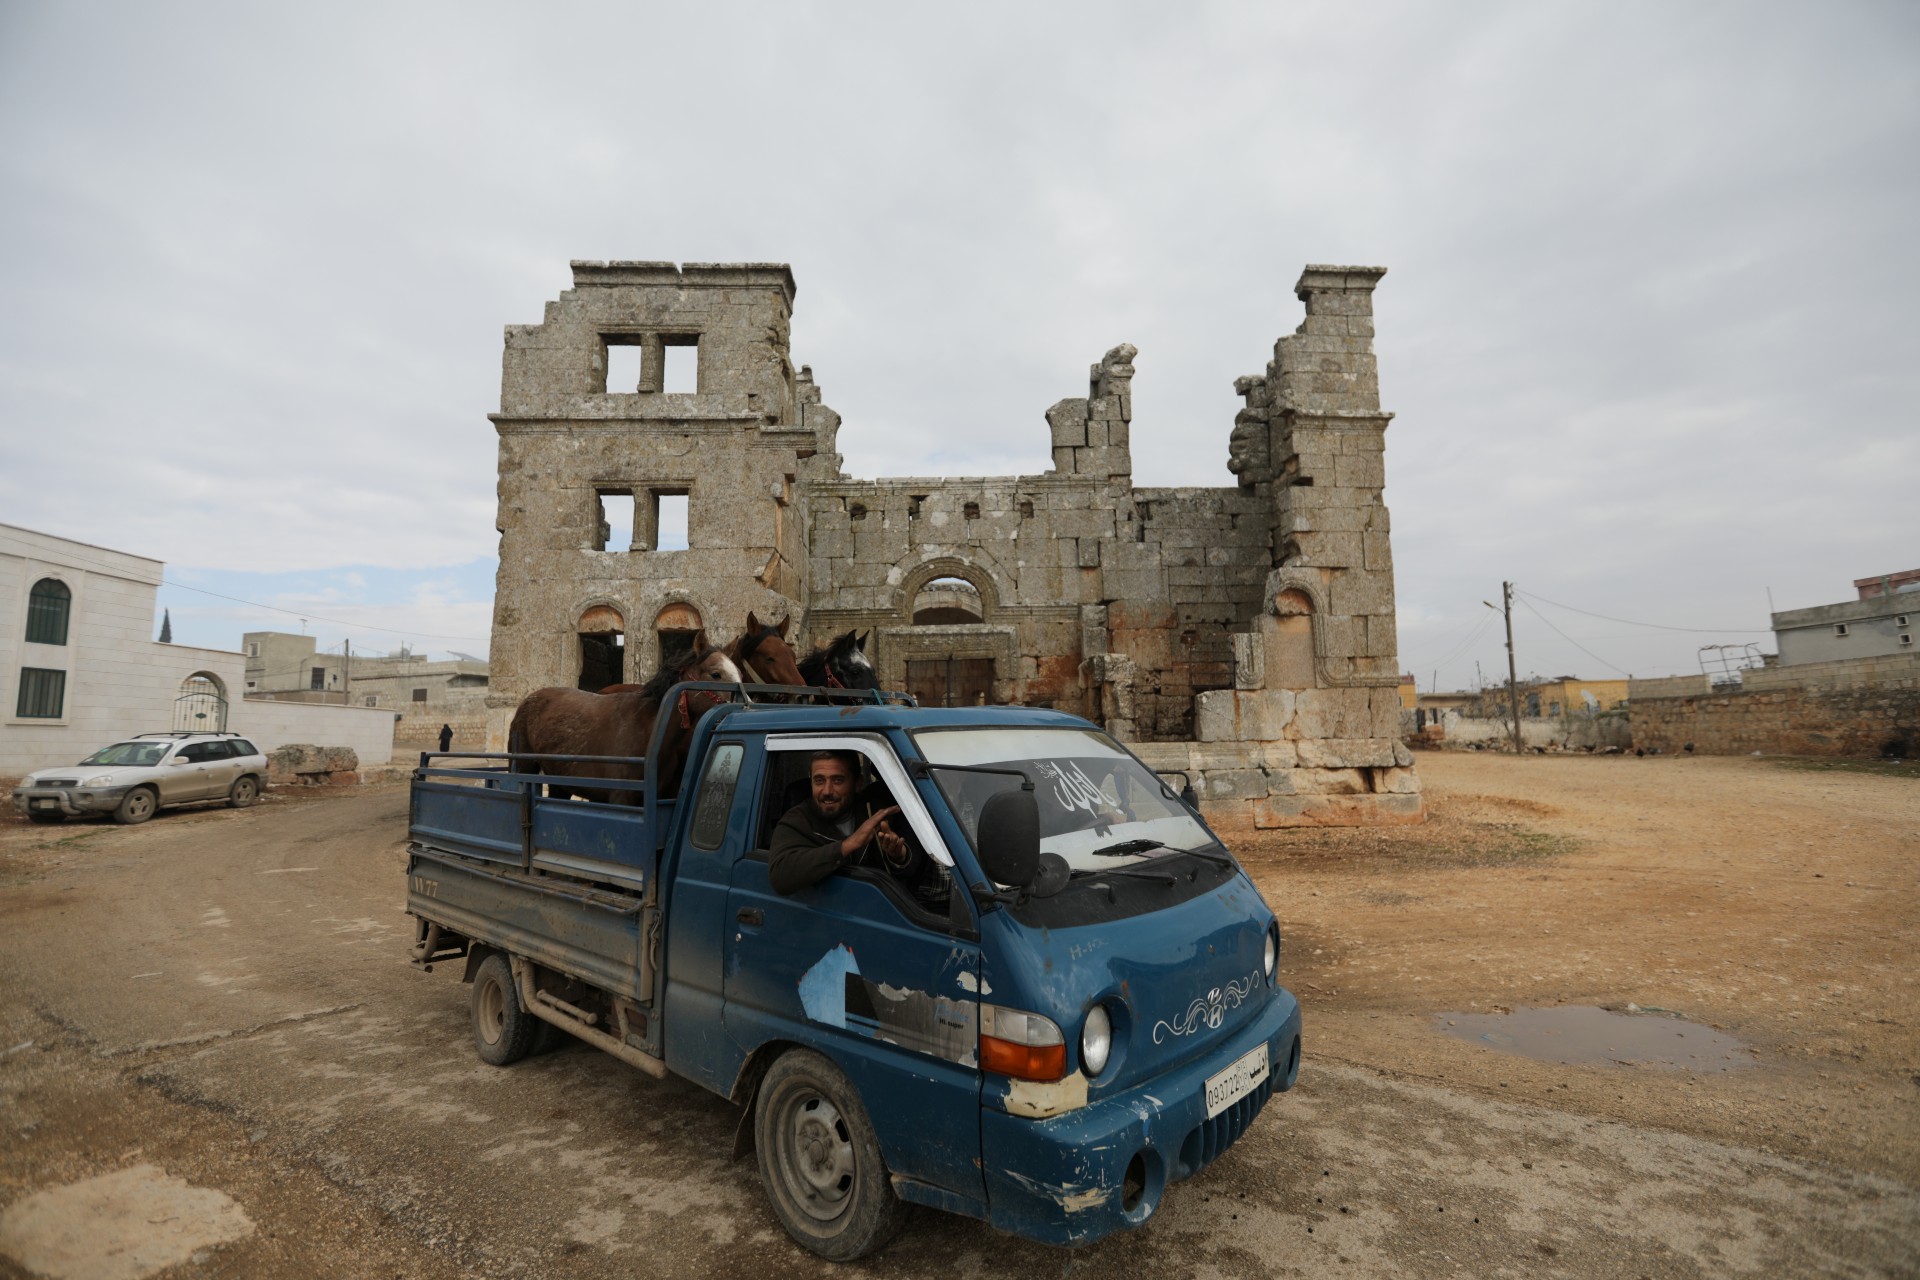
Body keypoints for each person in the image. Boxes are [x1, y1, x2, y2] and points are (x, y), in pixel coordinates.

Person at [769, 750, 910, 895]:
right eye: (819, 781)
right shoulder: (797, 820)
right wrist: (847, 845)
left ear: (858, 783)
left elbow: (912, 871)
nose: (827, 791)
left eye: (837, 780)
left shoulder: (876, 811)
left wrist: (898, 855)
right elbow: (780, 877)